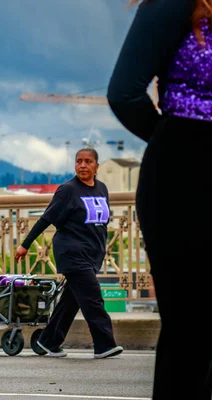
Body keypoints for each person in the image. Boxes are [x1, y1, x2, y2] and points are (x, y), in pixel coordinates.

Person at [107, 0, 212, 397]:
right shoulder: (175, 4)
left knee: (193, 331)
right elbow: (124, 93)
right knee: (192, 331)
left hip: (183, 165)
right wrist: (177, 145)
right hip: (184, 178)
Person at [15, 148, 123, 359]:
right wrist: (25, 245)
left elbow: (102, 223)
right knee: (93, 299)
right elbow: (46, 218)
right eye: (79, 161)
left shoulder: (102, 188)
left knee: (71, 301)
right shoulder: (68, 190)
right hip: (71, 253)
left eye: (88, 161)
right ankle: (104, 345)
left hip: (92, 255)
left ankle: (48, 341)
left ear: (96, 167)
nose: (83, 165)